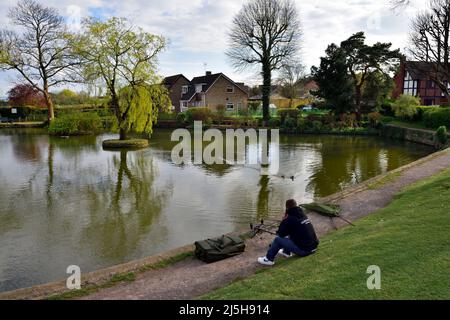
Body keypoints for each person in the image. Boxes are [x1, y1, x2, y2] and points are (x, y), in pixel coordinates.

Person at [258, 199, 319, 266]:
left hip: (305, 250)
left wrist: (283, 220)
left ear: (287, 208)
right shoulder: (302, 214)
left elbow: (280, 234)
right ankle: (286, 252)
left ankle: (268, 259)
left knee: (277, 240)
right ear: (296, 205)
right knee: (293, 232)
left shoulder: (289, 218)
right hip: (314, 247)